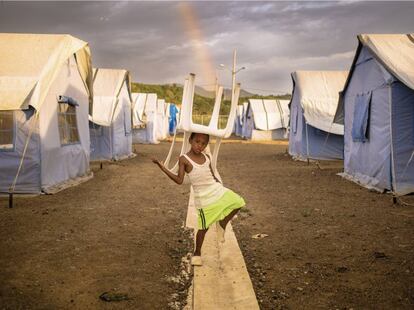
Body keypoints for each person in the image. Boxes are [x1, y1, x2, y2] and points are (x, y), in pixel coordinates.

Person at [152, 132, 245, 266]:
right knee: (203, 228)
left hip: (215, 189)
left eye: (203, 144)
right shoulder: (184, 159)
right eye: (197, 142)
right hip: (203, 198)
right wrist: (162, 167)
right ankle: (197, 253)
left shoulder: (206, 157)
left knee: (238, 202)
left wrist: (219, 185)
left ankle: (222, 223)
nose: (199, 146)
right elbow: (179, 180)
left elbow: (212, 174)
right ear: (190, 140)